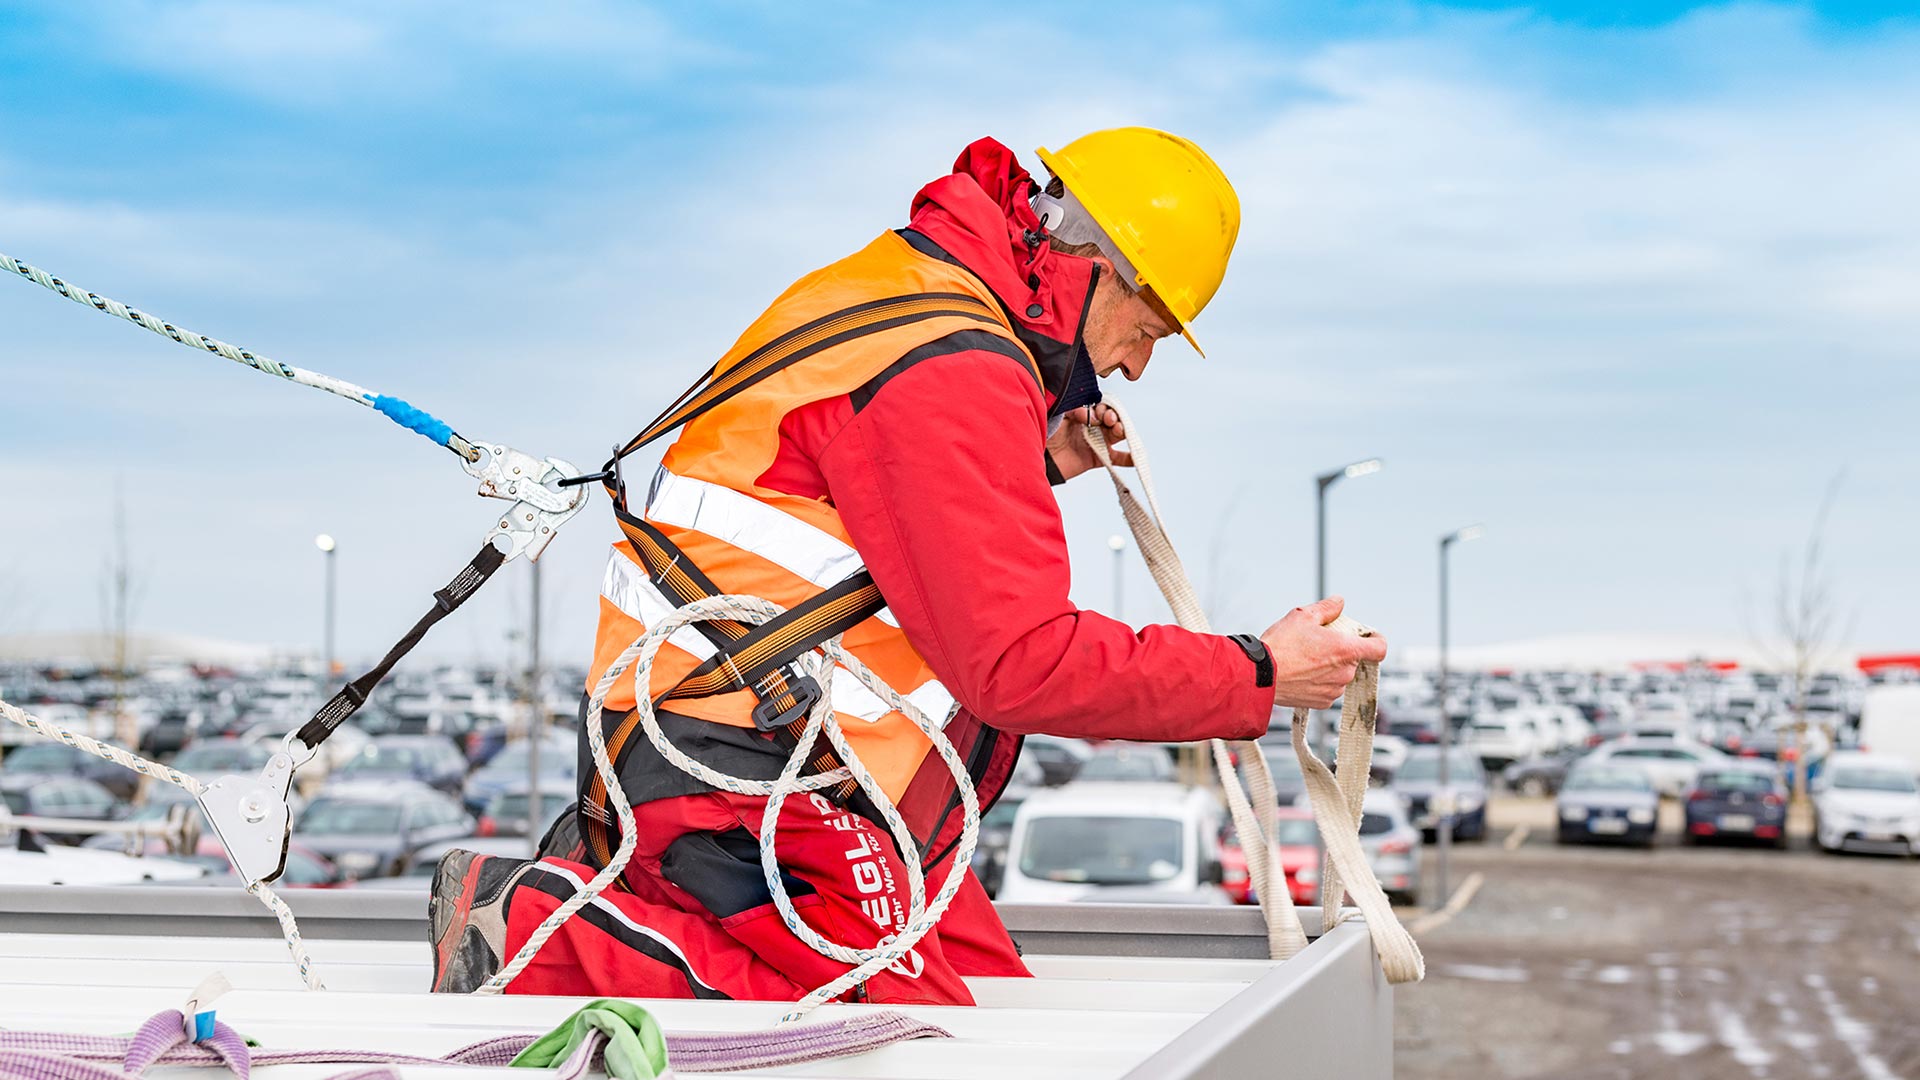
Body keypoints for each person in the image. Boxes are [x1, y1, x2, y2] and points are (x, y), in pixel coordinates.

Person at [428, 128, 1389, 1004]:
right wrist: (1260, 673)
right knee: (901, 1020)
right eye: (1150, 331)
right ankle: (524, 920)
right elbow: (1019, 662)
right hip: (738, 772)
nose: (1137, 368)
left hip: (755, 751)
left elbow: (853, 500)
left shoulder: (910, 295)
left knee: (982, 982)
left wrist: (1036, 460)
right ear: (1098, 270)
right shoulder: (954, 365)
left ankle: (619, 887)